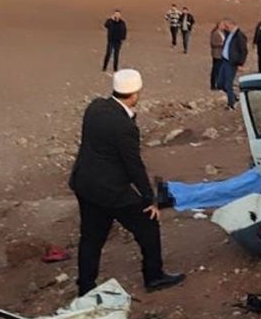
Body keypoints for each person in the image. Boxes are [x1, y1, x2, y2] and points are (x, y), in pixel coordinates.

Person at [69, 69, 184, 297]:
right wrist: (148, 198)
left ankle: (85, 288)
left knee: (91, 238)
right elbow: (133, 165)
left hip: (85, 184)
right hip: (112, 190)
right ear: (134, 94)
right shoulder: (125, 127)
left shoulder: (95, 108)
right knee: (148, 226)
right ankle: (154, 276)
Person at [216, 19, 248, 108]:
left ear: (231, 25)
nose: (226, 27)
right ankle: (234, 97)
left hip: (232, 63)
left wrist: (241, 64)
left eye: (227, 25)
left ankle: (231, 104)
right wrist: (221, 27)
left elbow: (244, 51)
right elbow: (220, 31)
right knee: (220, 83)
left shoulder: (239, 36)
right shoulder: (229, 33)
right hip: (225, 61)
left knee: (228, 83)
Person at [209, 18, 227, 90]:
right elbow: (213, 43)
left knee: (220, 70)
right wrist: (222, 44)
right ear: (219, 25)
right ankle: (213, 85)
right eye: (223, 25)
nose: (224, 26)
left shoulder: (222, 33)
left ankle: (219, 84)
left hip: (221, 54)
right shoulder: (215, 33)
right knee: (215, 70)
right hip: (217, 54)